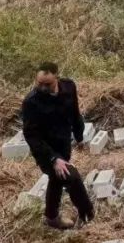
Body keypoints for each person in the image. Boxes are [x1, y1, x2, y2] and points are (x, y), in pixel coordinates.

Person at [21, 62, 95, 229]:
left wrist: (79, 136)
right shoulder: (31, 102)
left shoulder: (69, 87)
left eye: (47, 84)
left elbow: (75, 114)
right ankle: (88, 214)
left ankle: (51, 217)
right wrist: (53, 159)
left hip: (63, 143)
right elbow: (31, 135)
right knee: (71, 177)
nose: (43, 88)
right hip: (44, 149)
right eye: (39, 83)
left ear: (57, 78)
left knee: (56, 179)